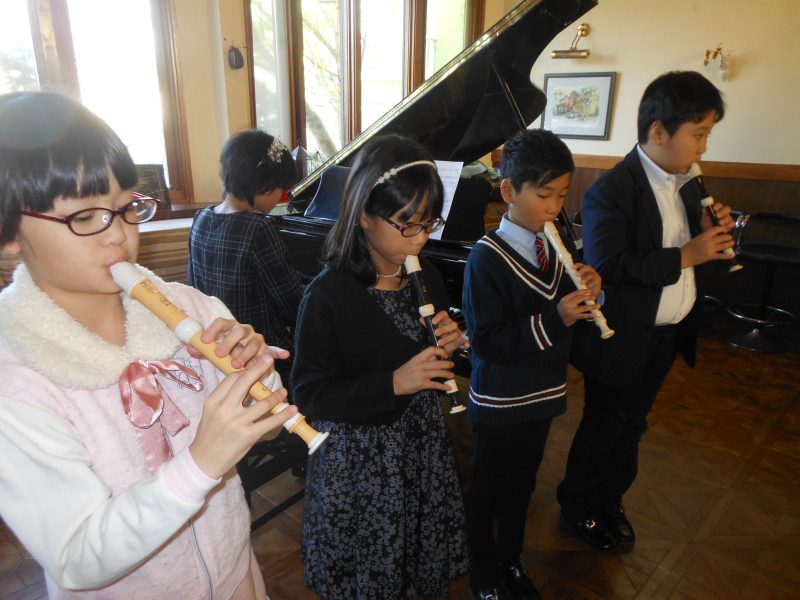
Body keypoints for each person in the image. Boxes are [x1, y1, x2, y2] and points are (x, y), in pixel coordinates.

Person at [0, 91, 296, 599]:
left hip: (234, 576)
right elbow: (75, 557)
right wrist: (200, 463)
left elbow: (267, 423)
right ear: (8, 234)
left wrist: (256, 376)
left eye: (126, 208)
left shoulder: (190, 307)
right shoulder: (16, 379)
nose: (118, 235)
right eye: (84, 217)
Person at [560, 71, 735, 552]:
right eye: (698, 134)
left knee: (633, 425)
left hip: (666, 334)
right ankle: (577, 507)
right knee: (604, 426)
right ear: (659, 131)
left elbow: (694, 255)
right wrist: (687, 254)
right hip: (622, 336)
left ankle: (610, 500)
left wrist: (711, 236)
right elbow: (610, 265)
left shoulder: (688, 185)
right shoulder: (611, 190)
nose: (703, 147)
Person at [291, 134, 469, 599]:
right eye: (407, 224)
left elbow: (432, 362)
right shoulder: (328, 294)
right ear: (364, 215)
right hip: (360, 461)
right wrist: (392, 383)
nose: (421, 237)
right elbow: (309, 394)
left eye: (430, 222)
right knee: (371, 574)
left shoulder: (425, 275)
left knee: (415, 562)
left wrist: (451, 344)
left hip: (419, 445)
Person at [461, 129, 602, 600]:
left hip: (543, 395)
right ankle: (483, 570)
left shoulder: (560, 249)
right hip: (500, 400)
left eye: (562, 195)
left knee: (522, 485)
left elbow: (574, 325)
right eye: (544, 195)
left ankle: (511, 560)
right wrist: (558, 317)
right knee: (487, 489)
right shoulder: (486, 257)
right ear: (508, 191)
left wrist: (592, 298)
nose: (555, 207)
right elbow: (487, 342)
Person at [188, 128, 302, 383]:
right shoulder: (259, 228)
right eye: (282, 189)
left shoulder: (201, 218)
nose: (282, 196)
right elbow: (293, 303)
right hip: (261, 351)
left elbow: (193, 288)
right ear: (264, 186)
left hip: (218, 348)